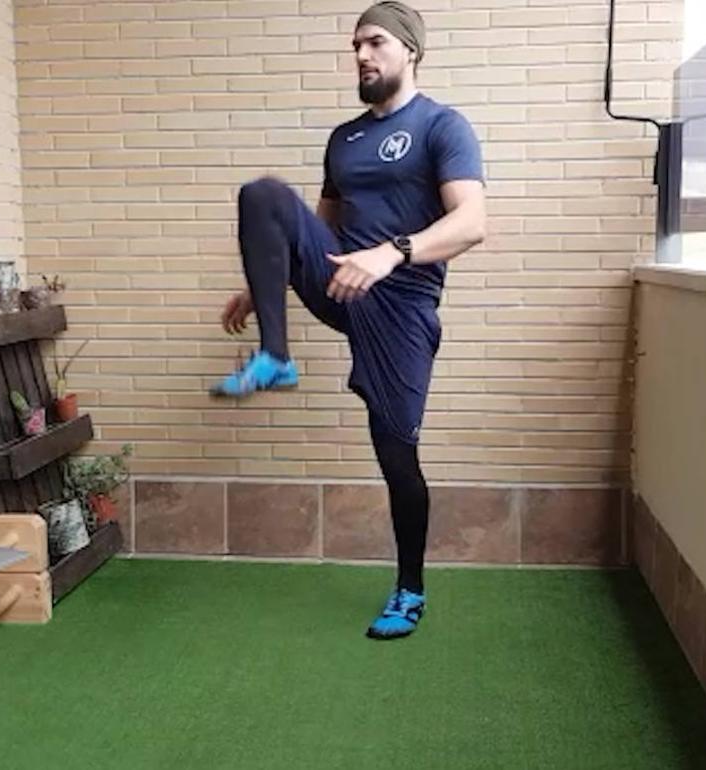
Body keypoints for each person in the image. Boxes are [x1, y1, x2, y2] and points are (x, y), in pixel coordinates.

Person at [210, 1, 487, 640]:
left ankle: (410, 589)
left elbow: (471, 223)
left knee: (397, 455)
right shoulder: (344, 139)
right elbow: (320, 228)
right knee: (263, 196)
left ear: (410, 49)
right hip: (341, 282)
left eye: (375, 42)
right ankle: (275, 355)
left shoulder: (443, 126)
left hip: (401, 307)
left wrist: (392, 252)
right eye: (356, 45)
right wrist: (264, 285)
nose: (362, 55)